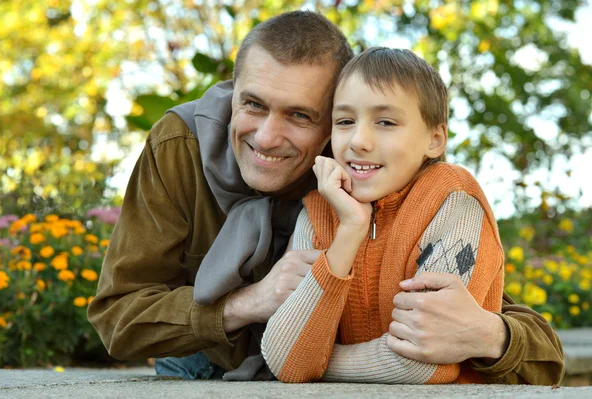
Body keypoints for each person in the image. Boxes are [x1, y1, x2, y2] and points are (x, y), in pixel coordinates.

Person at [87, 11, 564, 384]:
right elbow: (117, 317)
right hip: (204, 356)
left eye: (300, 115)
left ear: (336, 116)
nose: (268, 137)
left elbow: (514, 333)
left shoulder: (371, 173)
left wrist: (490, 335)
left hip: (328, 365)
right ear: (233, 93)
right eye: (252, 104)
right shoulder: (181, 146)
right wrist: (252, 301)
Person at [262, 47, 507, 384]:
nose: (359, 141)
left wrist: (314, 362)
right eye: (345, 121)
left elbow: (421, 362)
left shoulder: (454, 201)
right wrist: (350, 227)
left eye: (386, 122)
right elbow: (284, 360)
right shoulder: (319, 209)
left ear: (435, 140)